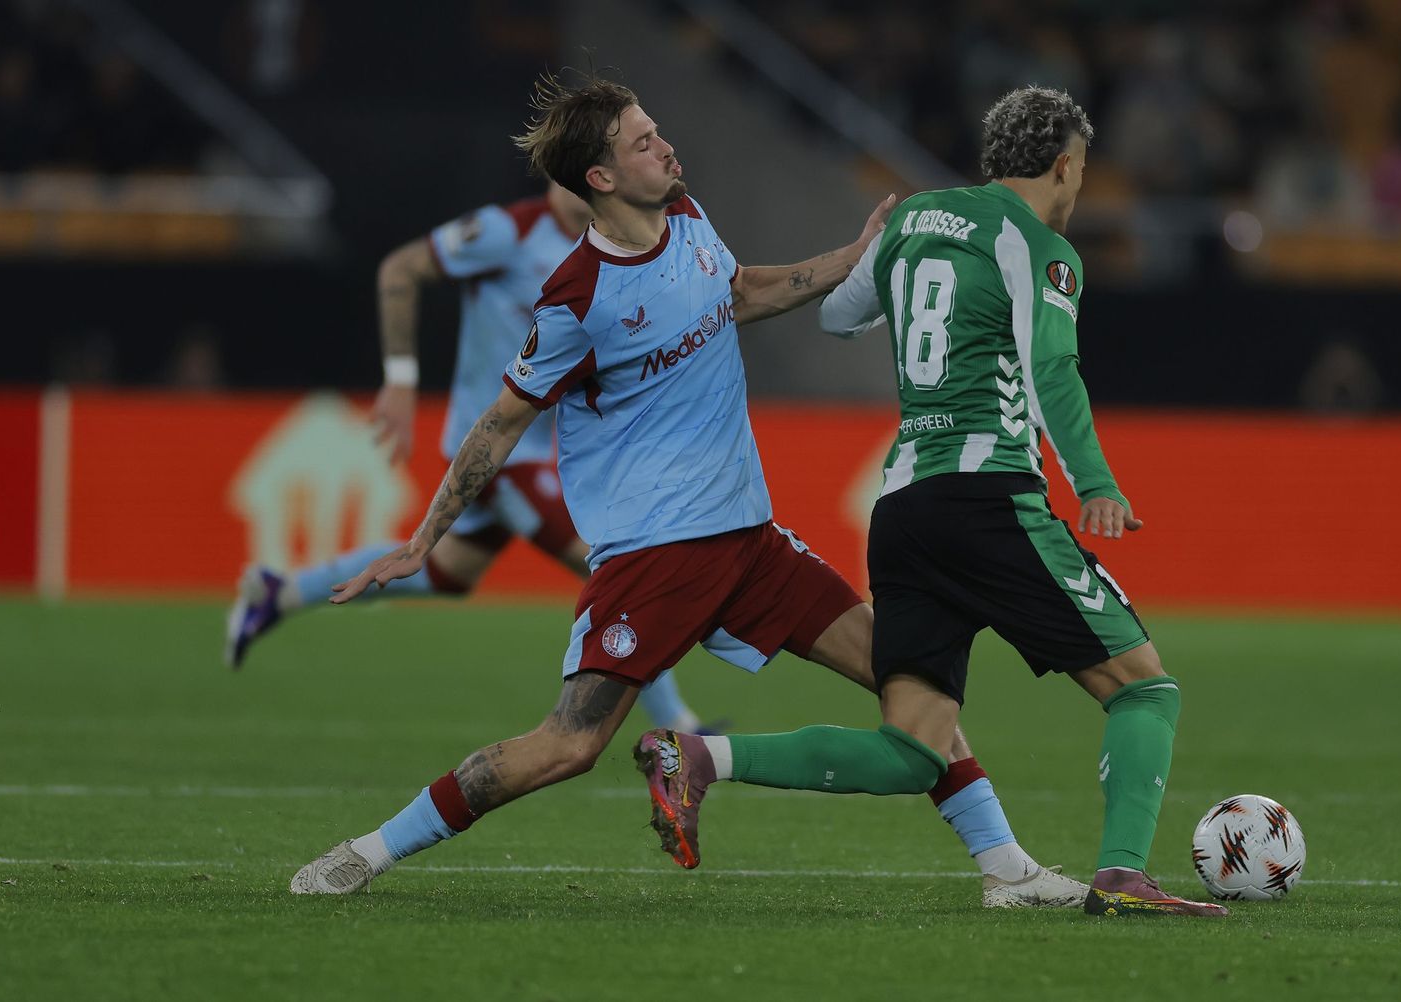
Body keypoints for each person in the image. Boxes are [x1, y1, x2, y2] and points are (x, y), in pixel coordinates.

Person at [288, 73, 1085, 909]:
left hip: (750, 541)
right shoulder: (577, 298)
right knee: (569, 745)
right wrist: (423, 540)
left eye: (657, 130)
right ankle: (367, 852)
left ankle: (1007, 871)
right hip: (655, 555)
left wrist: (852, 259)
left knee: (908, 677)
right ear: (601, 178)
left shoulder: (688, 218)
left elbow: (739, 292)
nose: (666, 148)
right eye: (643, 142)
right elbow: (500, 423)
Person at [635, 86, 1228, 918]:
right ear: (1064, 166)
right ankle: (1124, 876)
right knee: (1143, 689)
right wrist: (1094, 481)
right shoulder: (1042, 247)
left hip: (905, 511)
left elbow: (839, 318)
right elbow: (1053, 368)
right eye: (1082, 169)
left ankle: (700, 758)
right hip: (990, 503)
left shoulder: (914, 217)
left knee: (913, 749)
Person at [222, 181, 706, 731]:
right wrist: (400, 380)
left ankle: (280, 593)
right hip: (496, 455)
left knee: (451, 571)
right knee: (614, 566)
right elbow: (401, 268)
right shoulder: (507, 232)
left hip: (543, 451)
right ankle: (679, 726)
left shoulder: (610, 248)